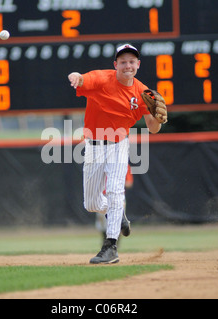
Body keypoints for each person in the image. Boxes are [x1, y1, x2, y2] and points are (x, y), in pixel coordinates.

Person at [68, 44, 166, 264]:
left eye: (132, 61)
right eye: (123, 61)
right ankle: (118, 214)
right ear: (116, 65)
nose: (127, 65)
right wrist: (76, 76)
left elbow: (153, 128)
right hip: (93, 145)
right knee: (91, 204)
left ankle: (110, 247)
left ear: (138, 65)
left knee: (114, 191)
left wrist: (157, 117)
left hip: (118, 145)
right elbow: (85, 79)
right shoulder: (103, 79)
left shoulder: (143, 92)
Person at [95, 164, 134, 243]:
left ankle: (114, 246)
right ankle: (105, 245)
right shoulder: (101, 165)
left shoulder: (124, 165)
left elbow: (129, 183)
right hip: (102, 196)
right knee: (103, 225)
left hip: (117, 195)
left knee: (117, 223)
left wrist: (116, 183)